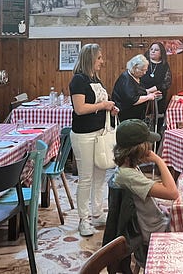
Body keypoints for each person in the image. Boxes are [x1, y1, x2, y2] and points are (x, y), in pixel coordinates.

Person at [69, 43, 119, 237]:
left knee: (100, 176)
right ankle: (84, 219)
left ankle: (97, 213)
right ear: (89, 58)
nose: (102, 61)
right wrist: (103, 104)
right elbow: (80, 109)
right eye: (99, 58)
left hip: (100, 133)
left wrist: (109, 107)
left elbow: (99, 104)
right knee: (86, 179)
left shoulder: (95, 79)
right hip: (84, 135)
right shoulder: (78, 80)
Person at [111, 119, 179, 245]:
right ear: (140, 149)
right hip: (156, 230)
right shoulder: (128, 175)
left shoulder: (126, 168)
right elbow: (173, 193)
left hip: (157, 220)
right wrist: (159, 161)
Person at [113, 54, 161, 122]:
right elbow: (133, 100)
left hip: (135, 116)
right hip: (126, 117)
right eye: (142, 70)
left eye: (145, 70)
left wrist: (148, 92)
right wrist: (149, 97)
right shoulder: (126, 79)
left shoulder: (134, 76)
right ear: (134, 67)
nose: (144, 73)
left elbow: (138, 90)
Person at [140, 42, 173, 135]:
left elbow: (167, 83)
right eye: (151, 49)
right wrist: (145, 91)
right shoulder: (143, 63)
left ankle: (156, 145)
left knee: (157, 124)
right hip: (142, 96)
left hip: (158, 99)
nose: (153, 51)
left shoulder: (164, 66)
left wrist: (151, 90)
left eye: (156, 50)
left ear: (161, 53)